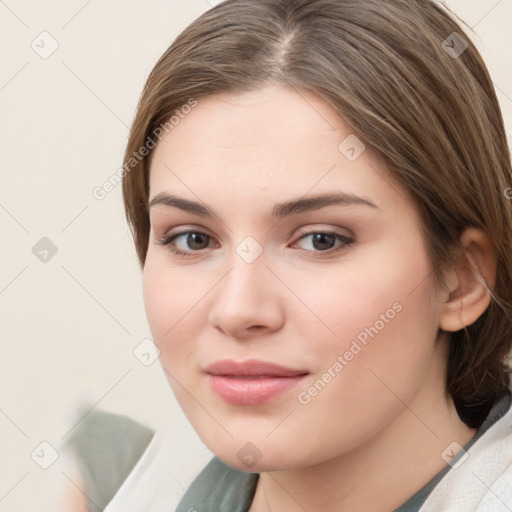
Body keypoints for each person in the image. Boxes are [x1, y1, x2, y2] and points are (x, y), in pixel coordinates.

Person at [66, 0, 512, 510]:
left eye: (321, 239)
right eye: (193, 238)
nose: (236, 310)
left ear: (464, 279)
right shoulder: (123, 487)